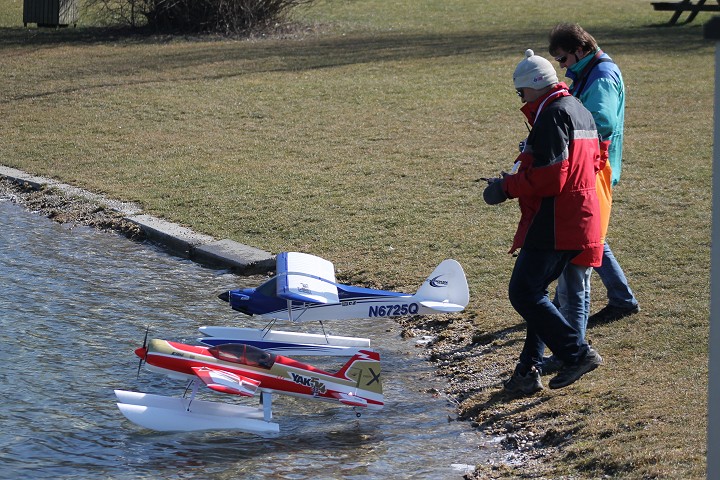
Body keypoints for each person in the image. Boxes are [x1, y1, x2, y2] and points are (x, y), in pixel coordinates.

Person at [482, 49, 603, 395]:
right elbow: (593, 162)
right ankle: (526, 373)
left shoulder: (552, 114)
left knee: (523, 292)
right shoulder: (578, 108)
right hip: (578, 217)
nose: (520, 99)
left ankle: (576, 353)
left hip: (556, 221)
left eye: (520, 93)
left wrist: (507, 187)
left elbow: (552, 178)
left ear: (534, 88)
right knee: (537, 294)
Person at [549, 23, 640, 324]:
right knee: (591, 232)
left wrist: (562, 136)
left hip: (595, 167)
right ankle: (619, 298)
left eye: (563, 59)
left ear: (580, 49)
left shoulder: (600, 75)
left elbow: (602, 122)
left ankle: (576, 303)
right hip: (592, 164)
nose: (562, 67)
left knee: (588, 234)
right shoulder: (590, 70)